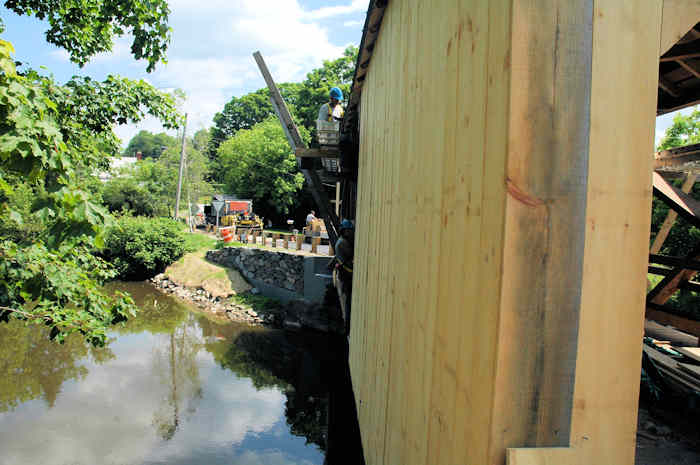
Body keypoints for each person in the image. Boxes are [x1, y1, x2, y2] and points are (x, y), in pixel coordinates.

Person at [333, 219, 354, 334]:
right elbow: (351, 255)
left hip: (345, 273)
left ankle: (347, 326)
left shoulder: (342, 241)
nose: (351, 233)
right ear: (344, 231)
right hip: (346, 275)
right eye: (349, 231)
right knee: (348, 301)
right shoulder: (342, 243)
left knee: (348, 301)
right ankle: (347, 327)